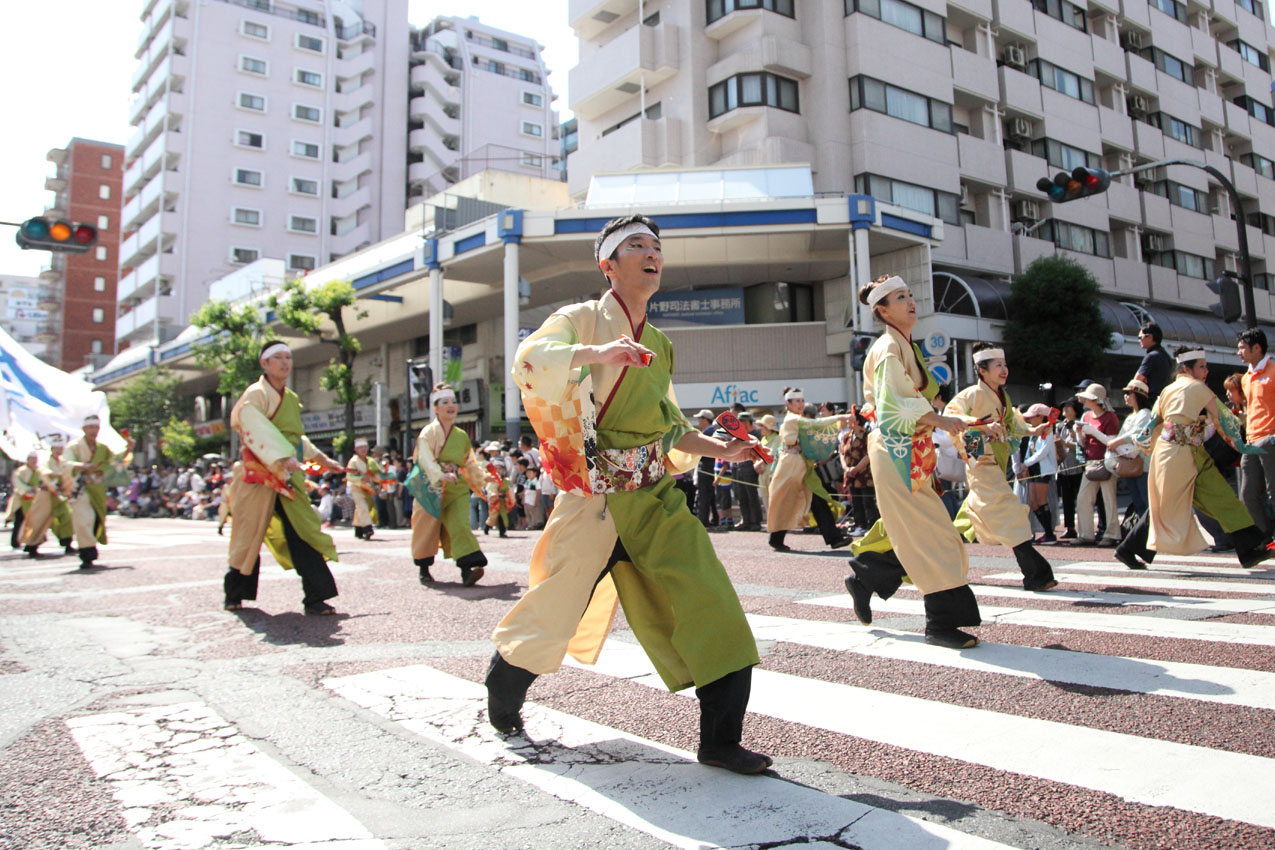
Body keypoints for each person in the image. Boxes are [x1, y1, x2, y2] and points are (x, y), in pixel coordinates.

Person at [489, 214, 771, 774]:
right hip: (593, 499)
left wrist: (721, 449)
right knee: (555, 610)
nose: (651, 253)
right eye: (636, 245)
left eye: (656, 247)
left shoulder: (660, 345)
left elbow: (669, 428)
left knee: (712, 602)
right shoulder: (580, 319)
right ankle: (502, 696)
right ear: (608, 265)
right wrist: (597, 353)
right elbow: (528, 362)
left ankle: (719, 741)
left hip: (654, 497)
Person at [842, 275, 981, 649]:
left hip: (906, 445)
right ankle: (940, 624)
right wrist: (941, 420)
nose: (910, 301)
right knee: (933, 532)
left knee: (919, 529)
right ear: (882, 311)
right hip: (895, 447)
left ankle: (868, 575)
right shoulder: (889, 348)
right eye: (899, 298)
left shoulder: (901, 345)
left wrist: (961, 421)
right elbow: (892, 403)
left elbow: (912, 402)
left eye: (910, 295)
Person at [1115, 346, 1273, 571]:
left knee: (1218, 499)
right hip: (1181, 456)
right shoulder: (1198, 388)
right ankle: (1128, 549)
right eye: (1202, 366)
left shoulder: (1167, 391)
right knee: (1173, 506)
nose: (1206, 370)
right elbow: (1225, 419)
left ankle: (1250, 549)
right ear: (1187, 368)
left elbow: (1152, 424)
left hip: (1178, 454)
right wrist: (1243, 443)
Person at [223, 342, 346, 614]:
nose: (284, 362)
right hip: (259, 475)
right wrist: (280, 456)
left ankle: (316, 596)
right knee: (248, 534)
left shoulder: (289, 397)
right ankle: (234, 593)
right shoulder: (255, 395)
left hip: (287, 476)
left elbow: (295, 437)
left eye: (288, 357)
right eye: (277, 357)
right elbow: (254, 427)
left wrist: (323, 460)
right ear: (264, 364)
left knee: (303, 531)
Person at [943, 345, 1056, 590]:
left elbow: (1013, 423)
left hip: (995, 459)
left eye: (1005, 365)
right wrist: (980, 427)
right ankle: (1037, 573)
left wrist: (1033, 430)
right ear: (982, 371)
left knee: (970, 519)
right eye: (998, 366)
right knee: (1010, 512)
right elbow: (951, 415)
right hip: (981, 459)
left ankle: (898, 562)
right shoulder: (971, 394)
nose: (1004, 370)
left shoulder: (1003, 397)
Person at [406, 383, 489, 585]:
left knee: (461, 524)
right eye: (445, 402)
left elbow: (469, 462)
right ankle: (424, 568)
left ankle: (466, 570)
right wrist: (438, 474)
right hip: (430, 487)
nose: (451, 406)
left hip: (455, 486)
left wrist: (484, 477)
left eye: (453, 402)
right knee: (425, 528)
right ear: (436, 408)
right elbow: (424, 457)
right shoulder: (429, 432)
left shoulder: (461, 435)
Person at [766, 388, 853, 552]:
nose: (800, 404)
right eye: (796, 401)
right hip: (791, 466)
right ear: (788, 404)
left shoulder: (796, 419)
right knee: (787, 500)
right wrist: (841, 417)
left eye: (801, 401)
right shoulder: (793, 419)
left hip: (798, 464)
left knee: (816, 498)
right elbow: (816, 424)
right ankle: (776, 538)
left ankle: (834, 538)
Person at [66, 416, 134, 568]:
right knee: (84, 520)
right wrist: (83, 466)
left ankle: (90, 547)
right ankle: (86, 553)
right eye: (90, 428)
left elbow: (115, 460)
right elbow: (66, 462)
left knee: (96, 519)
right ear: (84, 429)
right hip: (81, 487)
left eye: (95, 428)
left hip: (97, 488)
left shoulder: (102, 448)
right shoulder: (74, 446)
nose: (93, 431)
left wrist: (128, 448)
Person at [1071, 383, 1120, 546]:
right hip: (1091, 462)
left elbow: (1112, 442)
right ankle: (1086, 534)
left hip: (1107, 461)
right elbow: (1083, 444)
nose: (1083, 400)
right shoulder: (1086, 416)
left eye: (1087, 398)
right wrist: (1079, 434)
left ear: (1096, 400)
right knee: (1083, 499)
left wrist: (1092, 431)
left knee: (1109, 499)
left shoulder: (1110, 417)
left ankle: (1112, 534)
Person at [1237, 327, 1275, 533]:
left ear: (1257, 348)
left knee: (1273, 492)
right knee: (1247, 495)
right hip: (1251, 442)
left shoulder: (1273, 372)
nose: (1239, 352)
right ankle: (1265, 537)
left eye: (1242, 348)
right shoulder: (1245, 378)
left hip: (1271, 439)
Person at [21, 438, 76, 557]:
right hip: (46, 494)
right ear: (52, 449)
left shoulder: (63, 462)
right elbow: (44, 472)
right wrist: (57, 474)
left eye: (61, 448)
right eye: (56, 448)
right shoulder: (46, 461)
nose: (59, 451)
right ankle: (31, 545)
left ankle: (67, 543)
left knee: (67, 516)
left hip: (59, 495)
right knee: (39, 520)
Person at [1022, 404, 1058, 544]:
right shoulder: (1034, 432)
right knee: (1033, 502)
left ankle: (1049, 534)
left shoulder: (1048, 430)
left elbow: (1043, 452)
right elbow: (1029, 451)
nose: (1029, 419)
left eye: (1032, 417)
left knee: (1041, 501)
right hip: (1032, 468)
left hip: (1043, 469)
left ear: (1041, 417)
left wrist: (1026, 463)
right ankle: (1047, 532)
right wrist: (1026, 464)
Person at [839, 410, 878, 534]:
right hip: (851, 474)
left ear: (856, 420)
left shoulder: (868, 435)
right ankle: (859, 525)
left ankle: (871, 527)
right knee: (856, 501)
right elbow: (842, 453)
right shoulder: (846, 436)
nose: (846, 421)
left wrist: (857, 469)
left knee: (868, 501)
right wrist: (846, 468)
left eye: (849, 418)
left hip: (865, 474)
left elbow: (869, 454)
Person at [729, 412, 763, 531]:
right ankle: (746, 520)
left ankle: (756, 521)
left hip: (750, 467)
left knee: (752, 496)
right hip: (739, 467)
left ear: (746, 422)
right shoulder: (740, 435)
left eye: (740, 421)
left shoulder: (755, 435)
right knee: (741, 496)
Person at [345, 438, 380, 540]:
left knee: (361, 507)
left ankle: (358, 528)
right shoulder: (353, 461)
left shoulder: (370, 461)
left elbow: (376, 473)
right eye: (360, 447)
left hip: (367, 487)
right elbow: (350, 476)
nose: (363, 449)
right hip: (356, 486)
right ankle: (367, 528)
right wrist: (361, 478)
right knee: (362, 505)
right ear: (356, 449)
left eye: (365, 447)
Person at [8, 452, 41, 556]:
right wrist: (29, 489)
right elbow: (18, 483)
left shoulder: (38, 471)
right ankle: (15, 542)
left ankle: (29, 542)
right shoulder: (21, 471)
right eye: (32, 459)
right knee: (19, 522)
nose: (33, 461)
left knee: (33, 522)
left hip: (34, 500)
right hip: (22, 500)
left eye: (35, 459)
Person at [1133, 322, 1174, 404]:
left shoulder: (1151, 356)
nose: (1139, 340)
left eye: (1140, 337)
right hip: (1164, 400)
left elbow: (1136, 381)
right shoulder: (1166, 356)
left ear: (1150, 337)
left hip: (1151, 402)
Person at [693, 409, 720, 529]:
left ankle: (703, 521)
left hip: (705, 466)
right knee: (711, 495)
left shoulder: (707, 433)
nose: (698, 421)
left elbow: (700, 451)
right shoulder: (715, 431)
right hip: (713, 466)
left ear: (705, 420)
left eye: (700, 418)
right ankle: (714, 519)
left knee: (704, 495)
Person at [754, 414, 780, 517]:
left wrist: (758, 464)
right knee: (764, 497)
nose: (761, 429)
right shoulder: (763, 439)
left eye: (763, 426)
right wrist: (757, 465)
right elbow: (757, 455)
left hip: (772, 472)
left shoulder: (777, 438)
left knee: (774, 497)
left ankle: (776, 522)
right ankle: (770, 521)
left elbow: (771, 455)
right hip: (762, 472)